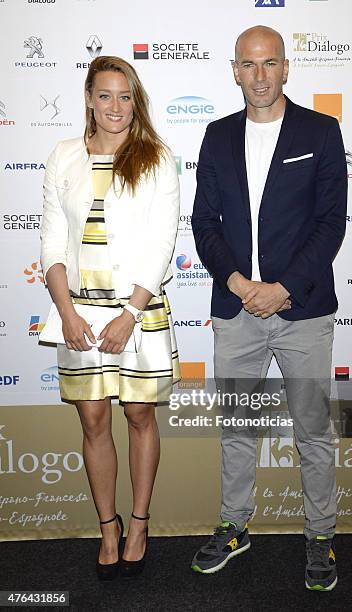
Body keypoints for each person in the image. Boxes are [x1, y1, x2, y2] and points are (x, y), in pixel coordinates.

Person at [191, 26, 347, 591]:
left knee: (312, 430)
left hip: (301, 310)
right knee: (237, 427)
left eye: (270, 63)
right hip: (236, 312)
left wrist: (282, 287)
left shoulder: (321, 131)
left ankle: (321, 534)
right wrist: (237, 282)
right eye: (249, 64)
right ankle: (235, 526)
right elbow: (204, 222)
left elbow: (332, 223)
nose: (259, 75)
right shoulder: (216, 136)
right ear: (235, 70)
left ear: (286, 67)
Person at [40, 56, 180, 580]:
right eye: (105, 95)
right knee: (93, 420)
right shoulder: (63, 156)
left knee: (140, 417)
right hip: (77, 311)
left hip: (136, 312)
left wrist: (130, 314)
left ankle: (140, 522)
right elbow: (52, 241)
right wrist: (65, 311)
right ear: (88, 99)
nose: (115, 107)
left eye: (125, 96)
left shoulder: (157, 157)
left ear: (135, 100)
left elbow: (162, 244)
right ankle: (108, 526)